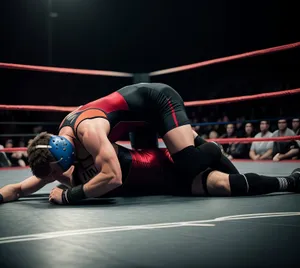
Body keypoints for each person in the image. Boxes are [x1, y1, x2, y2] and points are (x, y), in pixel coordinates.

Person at [25, 83, 221, 204]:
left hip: (157, 101)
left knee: (188, 164)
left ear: (62, 153)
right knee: (164, 168)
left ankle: (204, 143)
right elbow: (20, 188)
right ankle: (194, 146)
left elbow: (113, 177)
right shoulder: (62, 148)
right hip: (139, 124)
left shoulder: (88, 132)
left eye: (54, 172)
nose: (56, 177)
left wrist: (69, 196)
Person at [1, 134, 300, 204]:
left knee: (220, 175)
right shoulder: (53, 172)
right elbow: (16, 189)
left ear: (60, 161)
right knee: (226, 187)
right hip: (166, 187)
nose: (52, 179)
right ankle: (290, 182)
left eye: (51, 172)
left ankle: (289, 181)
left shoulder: (93, 149)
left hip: (165, 163)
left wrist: (68, 196)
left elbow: (113, 181)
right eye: (48, 176)